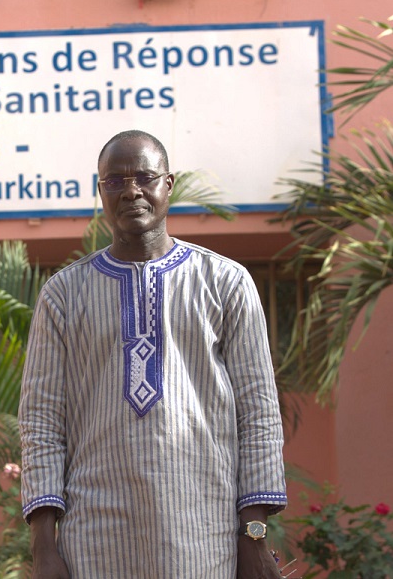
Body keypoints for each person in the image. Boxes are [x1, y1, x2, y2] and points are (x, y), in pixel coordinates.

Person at [18, 130, 287, 579]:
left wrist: (254, 536)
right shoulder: (63, 295)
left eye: (144, 177)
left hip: (205, 541)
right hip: (94, 546)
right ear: (100, 190)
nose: (131, 191)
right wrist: (44, 550)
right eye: (115, 180)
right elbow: (41, 423)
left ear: (169, 184)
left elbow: (258, 414)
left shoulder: (225, 282)